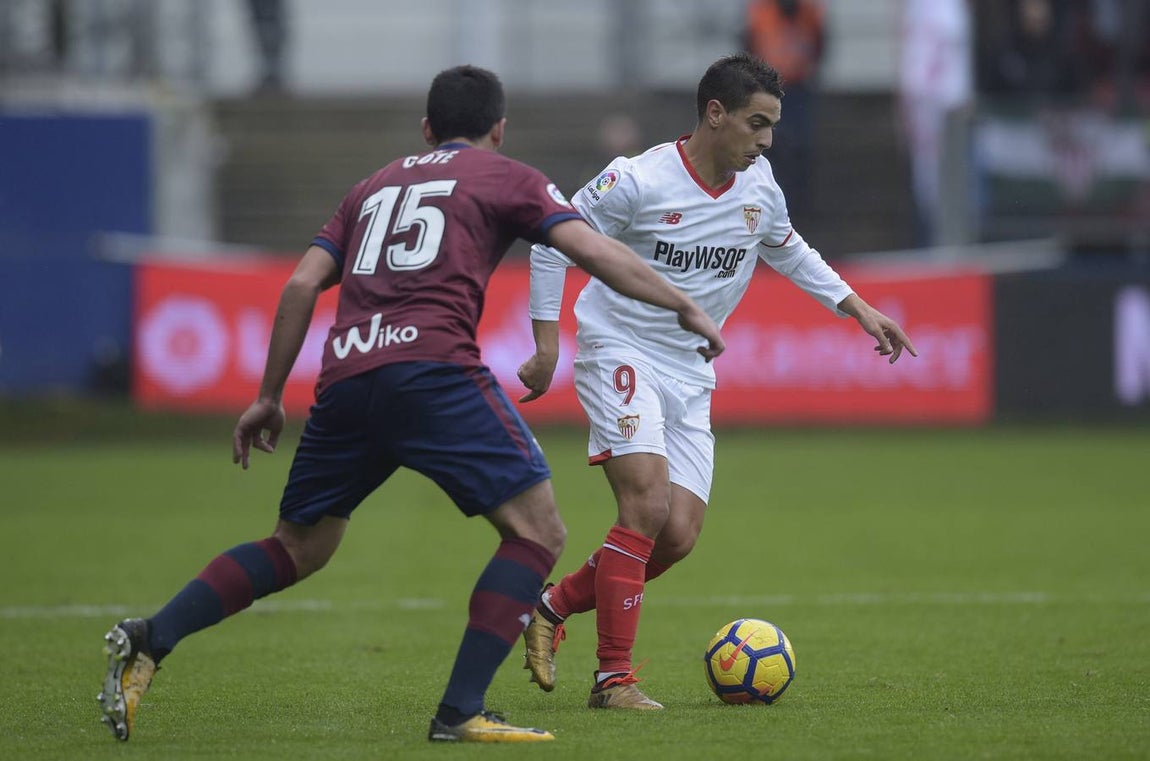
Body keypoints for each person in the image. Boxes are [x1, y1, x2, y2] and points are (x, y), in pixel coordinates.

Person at [95, 65, 724, 745]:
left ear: (426, 128)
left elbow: (303, 283)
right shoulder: (503, 174)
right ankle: (459, 711)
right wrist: (681, 300)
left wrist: (268, 396)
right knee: (539, 530)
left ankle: (151, 637)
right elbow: (590, 249)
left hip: (347, 378)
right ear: (499, 128)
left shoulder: (370, 187)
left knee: (297, 545)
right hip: (433, 373)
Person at [518, 53, 917, 710]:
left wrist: (860, 308)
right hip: (620, 348)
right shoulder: (636, 181)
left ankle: (549, 606)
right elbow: (547, 238)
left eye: (772, 127)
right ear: (715, 114)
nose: (765, 140)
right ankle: (613, 678)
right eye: (756, 123)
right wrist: (545, 340)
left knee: (675, 535)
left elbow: (789, 247)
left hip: (690, 370)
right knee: (643, 507)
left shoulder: (759, 186)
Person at [744, 0, 826, 223]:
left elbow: (820, 43)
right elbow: (748, 44)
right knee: (770, 146)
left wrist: (810, 71)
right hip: (768, 89)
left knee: (800, 146)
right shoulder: (761, 12)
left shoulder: (809, 12)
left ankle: (799, 205)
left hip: (797, 87)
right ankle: (770, 200)